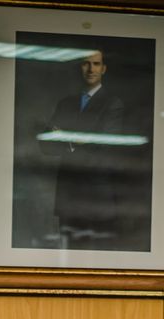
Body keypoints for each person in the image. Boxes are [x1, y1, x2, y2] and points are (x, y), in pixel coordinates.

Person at [44, 50, 126, 246]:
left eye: (96, 64)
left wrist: (66, 137)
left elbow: (105, 145)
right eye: (85, 63)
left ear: (104, 69)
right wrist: (84, 139)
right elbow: (45, 145)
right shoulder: (65, 104)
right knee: (69, 258)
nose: (91, 69)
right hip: (67, 195)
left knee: (94, 260)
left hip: (96, 198)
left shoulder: (113, 104)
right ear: (79, 68)